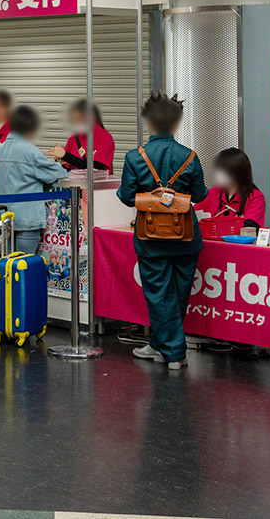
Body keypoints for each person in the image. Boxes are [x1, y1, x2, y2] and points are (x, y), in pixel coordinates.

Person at [116, 93, 207, 371]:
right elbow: (200, 195)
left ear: (149, 122)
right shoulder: (190, 156)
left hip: (151, 236)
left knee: (158, 294)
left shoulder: (135, 157)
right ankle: (159, 344)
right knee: (178, 294)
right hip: (186, 236)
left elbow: (127, 196)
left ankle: (174, 352)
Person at [0, 105, 65, 255]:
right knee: (24, 265)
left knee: (5, 265)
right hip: (26, 221)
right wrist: (61, 164)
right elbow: (58, 174)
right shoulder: (30, 151)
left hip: (2, 219)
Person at [195, 148, 266, 230]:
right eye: (218, 169)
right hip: (211, 238)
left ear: (238, 172)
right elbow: (192, 215)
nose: (219, 174)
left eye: (224, 171)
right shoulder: (212, 193)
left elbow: (249, 228)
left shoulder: (255, 197)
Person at [50, 99, 115, 174]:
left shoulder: (105, 137)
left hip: (96, 181)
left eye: (79, 119)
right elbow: (67, 168)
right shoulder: (74, 138)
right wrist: (60, 160)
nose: (77, 123)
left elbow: (96, 167)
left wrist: (65, 156)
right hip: (75, 181)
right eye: (74, 120)